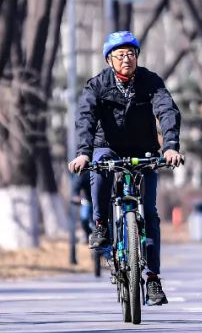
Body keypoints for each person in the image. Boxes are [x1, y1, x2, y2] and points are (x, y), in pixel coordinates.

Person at [68, 31, 183, 306]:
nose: (126, 59)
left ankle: (153, 278)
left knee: (151, 214)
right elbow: (85, 117)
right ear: (109, 60)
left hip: (144, 150)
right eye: (120, 55)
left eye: (131, 53)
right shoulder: (97, 85)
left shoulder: (150, 81)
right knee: (100, 165)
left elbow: (167, 110)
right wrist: (83, 154)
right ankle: (101, 225)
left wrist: (170, 146)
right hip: (107, 146)